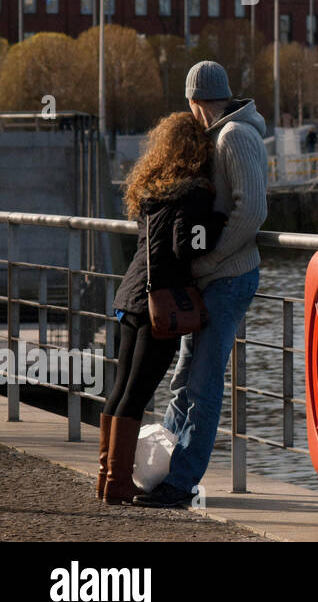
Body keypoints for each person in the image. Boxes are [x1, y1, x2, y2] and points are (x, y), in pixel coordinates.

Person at [134, 61, 268, 508]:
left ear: (194, 102)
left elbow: (252, 213)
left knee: (204, 384)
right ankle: (162, 468)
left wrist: (208, 258)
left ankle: (181, 482)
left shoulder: (235, 137)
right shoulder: (224, 135)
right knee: (185, 381)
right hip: (214, 280)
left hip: (228, 278)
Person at [99, 113, 227, 504]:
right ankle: (118, 482)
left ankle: (107, 477)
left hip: (131, 297)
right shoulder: (194, 192)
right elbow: (187, 246)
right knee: (137, 393)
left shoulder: (151, 189)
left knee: (121, 389)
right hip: (162, 305)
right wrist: (219, 223)